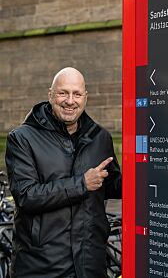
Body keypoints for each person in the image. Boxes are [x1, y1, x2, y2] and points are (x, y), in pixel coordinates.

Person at [5, 67, 121, 278]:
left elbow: (109, 184)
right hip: (42, 267)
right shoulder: (22, 138)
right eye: (62, 93)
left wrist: (144, 172)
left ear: (85, 97)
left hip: (89, 265)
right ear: (50, 95)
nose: (70, 100)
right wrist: (82, 184)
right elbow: (26, 196)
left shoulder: (100, 137)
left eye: (77, 94)